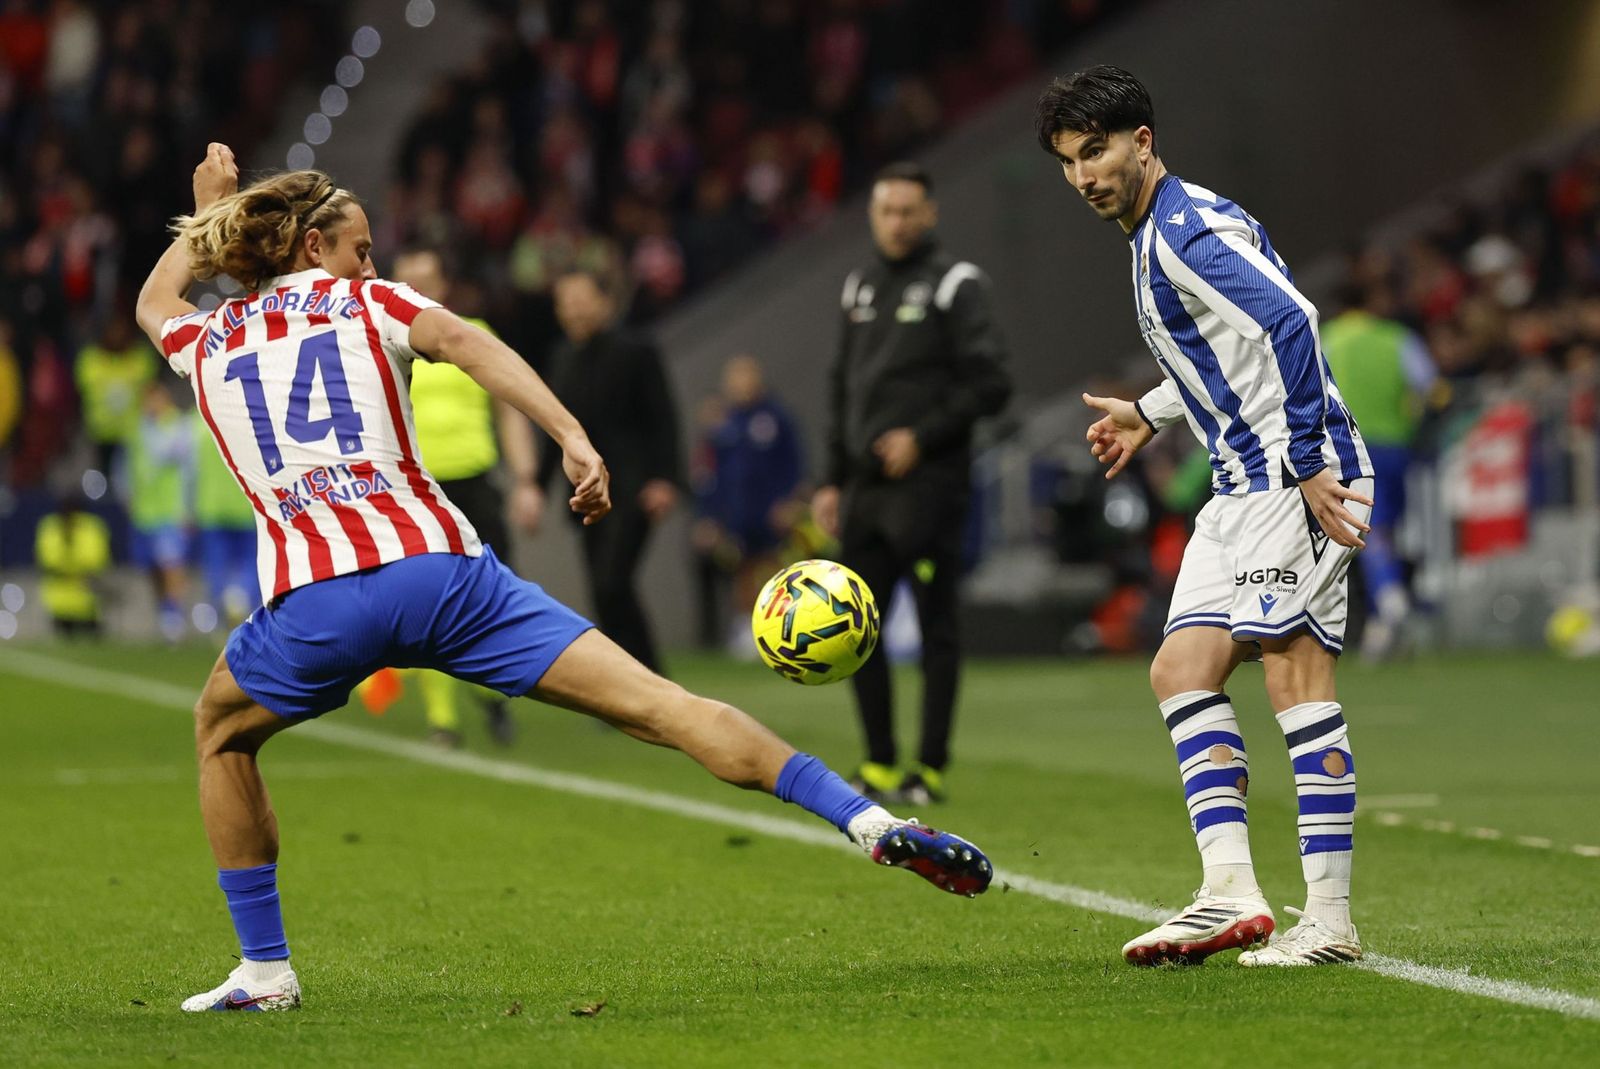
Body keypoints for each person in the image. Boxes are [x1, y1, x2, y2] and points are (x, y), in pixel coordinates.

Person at [135, 145, 993, 1013]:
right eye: (361, 248)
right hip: (442, 577)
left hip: (316, 603)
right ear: (314, 246)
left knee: (222, 733)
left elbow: (153, 302)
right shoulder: (369, 302)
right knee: (662, 705)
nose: (372, 263)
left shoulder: (211, 338)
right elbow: (467, 342)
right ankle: (870, 820)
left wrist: (208, 217)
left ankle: (266, 970)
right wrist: (572, 436)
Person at [1035, 65, 1374, 967]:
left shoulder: (1184, 234)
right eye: (1069, 160)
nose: (1083, 176)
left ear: (1142, 142)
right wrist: (1150, 412)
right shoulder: (1160, 231)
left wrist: (1308, 460)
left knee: (1294, 675)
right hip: (1238, 487)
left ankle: (1329, 922)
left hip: (1293, 478)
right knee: (1180, 669)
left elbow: (1293, 322)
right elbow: (1226, 353)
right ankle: (1229, 891)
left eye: (1097, 151)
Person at [811, 162, 1011, 807]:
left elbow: (992, 383)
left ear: (930, 214)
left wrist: (920, 437)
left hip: (929, 488)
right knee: (855, 627)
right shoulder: (860, 285)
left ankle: (929, 768)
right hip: (866, 492)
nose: (896, 223)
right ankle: (877, 763)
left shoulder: (956, 284)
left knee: (935, 629)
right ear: (873, 216)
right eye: (886, 211)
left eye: (907, 211)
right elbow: (841, 386)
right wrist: (832, 479)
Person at [384, 246, 541, 747]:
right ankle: (443, 720)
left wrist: (526, 480)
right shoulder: (382, 340)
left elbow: (509, 410)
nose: (418, 289)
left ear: (444, 284)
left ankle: (490, 693)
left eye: (426, 279)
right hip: (415, 488)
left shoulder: (473, 335)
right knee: (426, 600)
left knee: (490, 595)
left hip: (476, 483)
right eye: (408, 280)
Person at [531, 270, 681, 672]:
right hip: (584, 492)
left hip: (632, 490)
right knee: (602, 591)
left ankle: (651, 676)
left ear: (605, 303)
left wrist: (665, 479)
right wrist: (536, 486)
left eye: (581, 300)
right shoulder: (561, 357)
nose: (573, 310)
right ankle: (628, 680)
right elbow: (554, 430)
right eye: (565, 303)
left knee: (612, 582)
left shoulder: (637, 350)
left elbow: (663, 418)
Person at [1321, 279, 1435, 660]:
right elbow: (1430, 386)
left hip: (1349, 447)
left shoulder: (1328, 339)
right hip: (1397, 445)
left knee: (1366, 528)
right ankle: (1384, 618)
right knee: (1389, 526)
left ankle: (1389, 599)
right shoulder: (1398, 339)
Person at [693, 354, 805, 650]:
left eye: (745, 377)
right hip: (737, 513)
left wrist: (790, 502)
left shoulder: (776, 418)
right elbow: (710, 473)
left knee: (775, 567)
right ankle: (747, 625)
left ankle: (783, 623)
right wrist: (708, 516)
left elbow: (793, 464)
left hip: (771, 511)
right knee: (740, 569)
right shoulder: (722, 423)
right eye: (734, 379)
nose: (740, 385)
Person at [129, 380, 194, 642]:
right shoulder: (139, 428)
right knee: (152, 567)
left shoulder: (178, 427)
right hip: (144, 511)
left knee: (172, 564)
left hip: (171, 510)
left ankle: (173, 616)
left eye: (154, 399)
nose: (150, 404)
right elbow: (132, 465)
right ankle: (163, 611)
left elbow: (188, 470)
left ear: (164, 399)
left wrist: (187, 509)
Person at [192, 407, 260, 628]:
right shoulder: (246, 425)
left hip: (212, 508)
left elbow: (189, 473)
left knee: (216, 565)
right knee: (252, 562)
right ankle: (244, 604)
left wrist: (188, 507)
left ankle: (219, 617)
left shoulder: (197, 428)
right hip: (244, 507)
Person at [75, 315, 158, 481]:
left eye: (120, 330)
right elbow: (79, 397)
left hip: (132, 436)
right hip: (100, 436)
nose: (116, 335)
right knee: (100, 481)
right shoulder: (89, 361)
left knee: (131, 480)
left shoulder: (141, 360)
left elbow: (152, 393)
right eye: (112, 330)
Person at [35, 494, 111, 637]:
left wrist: (68, 566)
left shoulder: (91, 527)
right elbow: (47, 560)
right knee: (64, 638)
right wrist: (74, 567)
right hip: (59, 600)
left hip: (87, 597)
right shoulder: (50, 526)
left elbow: (97, 560)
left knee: (91, 639)